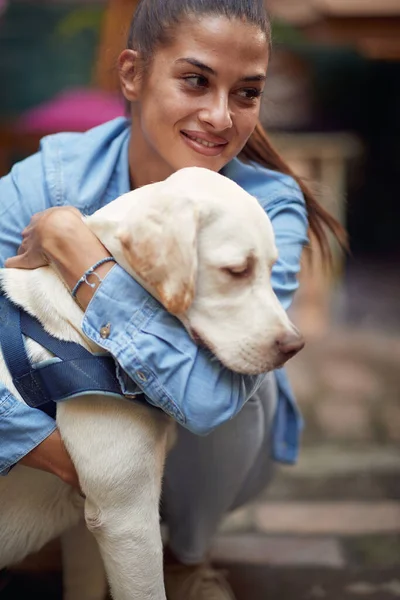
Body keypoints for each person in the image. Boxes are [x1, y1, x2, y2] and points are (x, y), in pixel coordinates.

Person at [0, 0, 345, 598]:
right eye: (195, 81)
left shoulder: (268, 203)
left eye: (246, 93)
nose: (220, 115)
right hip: (60, 444)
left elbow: (210, 403)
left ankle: (183, 555)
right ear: (132, 74)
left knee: (246, 379)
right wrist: (52, 455)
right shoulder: (50, 179)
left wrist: (82, 257)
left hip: (210, 459)